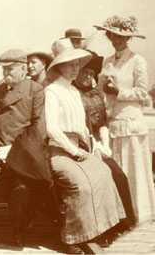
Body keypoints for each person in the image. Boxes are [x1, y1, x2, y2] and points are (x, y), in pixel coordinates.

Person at [44, 39, 125, 254]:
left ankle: (95, 231)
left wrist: (92, 147)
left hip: (79, 148)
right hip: (59, 151)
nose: (74, 69)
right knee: (81, 185)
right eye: (70, 64)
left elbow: (81, 126)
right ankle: (71, 238)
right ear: (59, 66)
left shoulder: (74, 92)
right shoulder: (52, 91)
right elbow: (52, 128)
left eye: (77, 64)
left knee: (104, 173)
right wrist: (73, 150)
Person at [0, 49, 56, 246]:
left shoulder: (35, 89)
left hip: (25, 150)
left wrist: (19, 150)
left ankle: (18, 228)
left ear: (23, 69)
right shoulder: (0, 90)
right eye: (3, 70)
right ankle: (25, 206)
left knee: (21, 187)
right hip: (0, 148)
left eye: (10, 69)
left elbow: (39, 125)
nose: (6, 74)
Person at [95, 15, 155, 224]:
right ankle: (120, 215)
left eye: (121, 36)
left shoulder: (137, 60)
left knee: (134, 168)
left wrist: (119, 92)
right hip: (113, 122)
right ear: (109, 36)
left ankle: (139, 215)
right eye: (113, 35)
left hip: (131, 121)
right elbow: (102, 90)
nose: (116, 40)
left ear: (128, 38)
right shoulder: (107, 61)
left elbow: (141, 92)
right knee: (118, 169)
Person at [72, 51, 136, 231]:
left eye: (91, 73)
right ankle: (103, 227)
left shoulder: (96, 94)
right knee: (100, 179)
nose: (87, 76)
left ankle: (125, 222)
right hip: (78, 146)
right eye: (84, 72)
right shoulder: (70, 93)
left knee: (119, 177)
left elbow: (102, 122)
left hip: (97, 145)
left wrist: (104, 146)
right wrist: (91, 147)